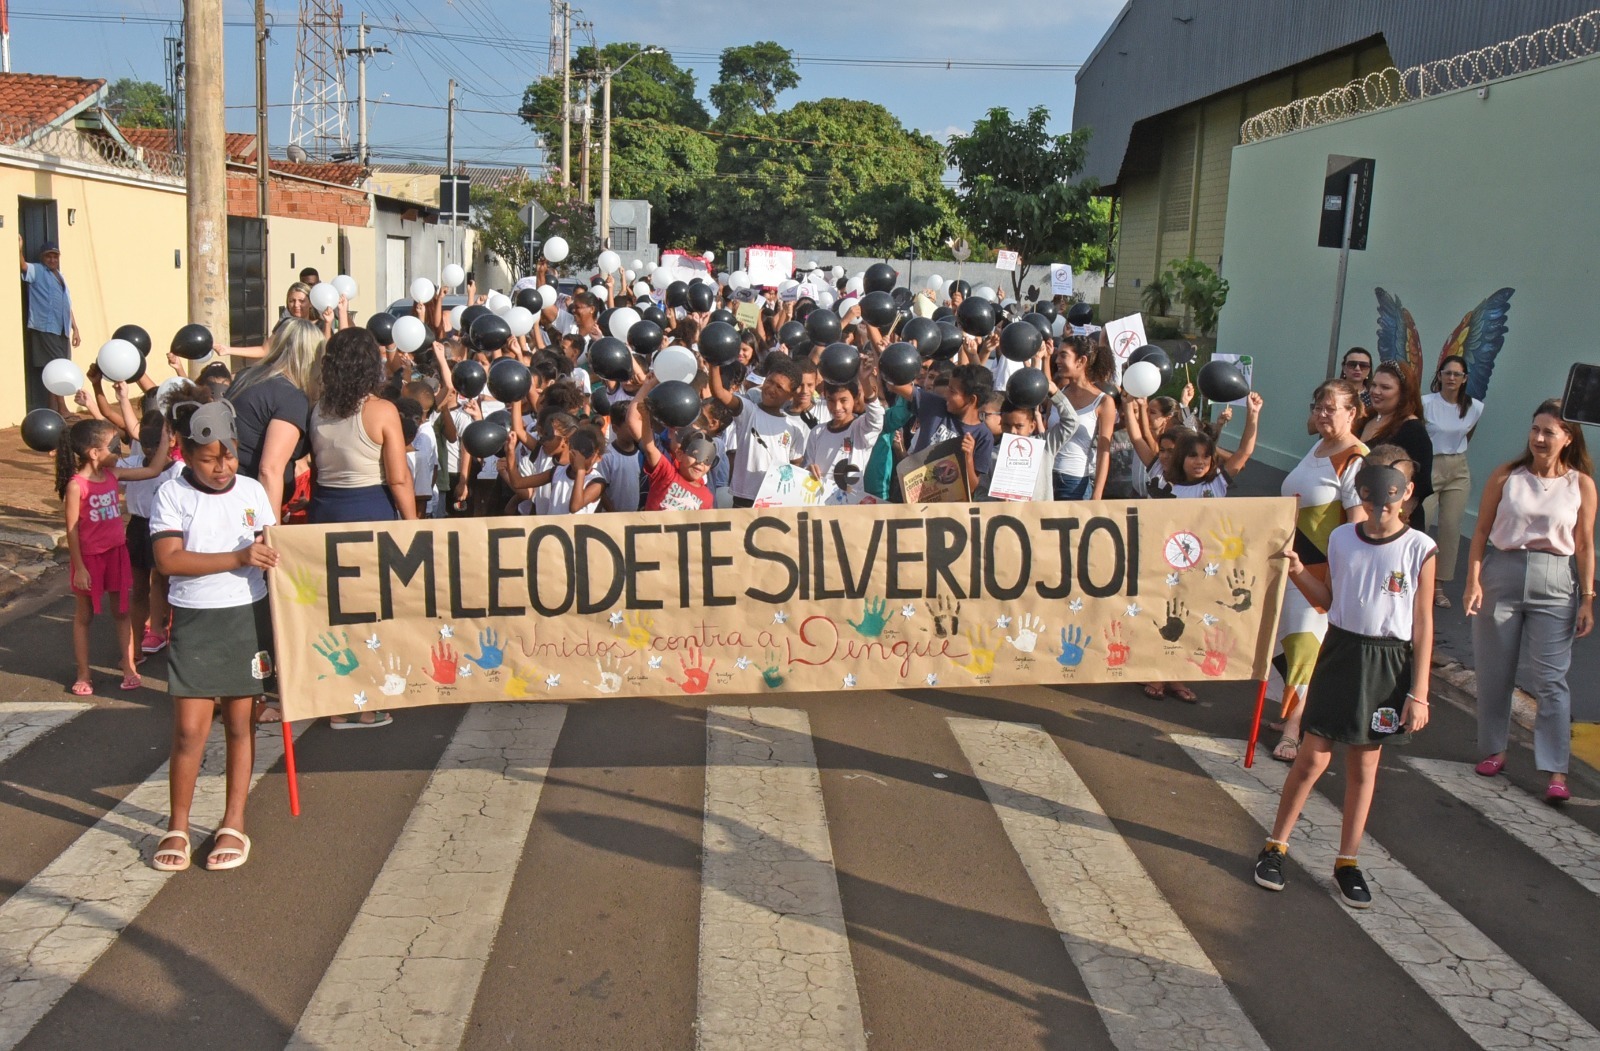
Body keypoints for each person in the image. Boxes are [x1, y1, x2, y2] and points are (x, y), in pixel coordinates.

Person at [1256, 445, 1435, 908]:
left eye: (1391, 495)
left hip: (1388, 664)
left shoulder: (1419, 548)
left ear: (1407, 493)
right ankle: (1275, 847)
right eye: (1373, 494)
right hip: (1340, 651)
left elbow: (1422, 623)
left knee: (1364, 765)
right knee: (1312, 759)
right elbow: (1326, 599)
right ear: (1362, 489)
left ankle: (1347, 861)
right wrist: (1298, 571)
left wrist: (1420, 692)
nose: (1380, 506)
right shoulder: (1341, 539)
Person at [149, 401, 279, 872]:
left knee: (241, 724)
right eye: (209, 459)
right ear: (185, 453)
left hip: (247, 616)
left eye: (230, 456)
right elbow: (169, 561)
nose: (222, 467)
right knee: (188, 731)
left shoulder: (253, 490)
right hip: (196, 621)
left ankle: (233, 822)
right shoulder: (171, 494)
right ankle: (178, 826)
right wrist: (240, 558)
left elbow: (273, 549)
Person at [1463, 399, 1596, 803]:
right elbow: (1482, 532)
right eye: (1535, 429)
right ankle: (1494, 749)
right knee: (1493, 670)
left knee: (1551, 679)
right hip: (1501, 573)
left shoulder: (1581, 484)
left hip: (1556, 582)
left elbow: (1586, 545)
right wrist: (1473, 581)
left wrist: (1588, 598)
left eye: (1549, 432)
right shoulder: (1506, 476)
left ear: (1568, 437)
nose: (1539, 438)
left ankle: (1556, 770)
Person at [307, 329, 416, 729]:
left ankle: (338, 699)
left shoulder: (317, 409)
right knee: (371, 614)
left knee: (336, 613)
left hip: (325, 513)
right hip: (370, 511)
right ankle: (363, 704)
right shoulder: (382, 411)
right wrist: (413, 526)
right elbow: (399, 478)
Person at [1270, 379, 1368, 762]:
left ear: (1352, 413)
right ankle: (1293, 713)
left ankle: (1296, 730)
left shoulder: (1355, 458)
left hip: (1320, 569)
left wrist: (1343, 576)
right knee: (1286, 641)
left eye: (1332, 409)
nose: (1323, 414)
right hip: (1293, 560)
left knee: (1304, 644)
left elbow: (1357, 525)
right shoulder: (1319, 446)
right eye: (1319, 407)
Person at [57, 414, 170, 695]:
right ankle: (84, 673)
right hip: (90, 559)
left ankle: (130, 666)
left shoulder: (113, 475)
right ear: (95, 453)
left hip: (116, 554)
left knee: (122, 612)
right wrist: (80, 567)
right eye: (115, 447)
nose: (121, 453)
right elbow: (71, 530)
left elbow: (154, 469)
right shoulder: (76, 486)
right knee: (84, 616)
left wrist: (167, 434)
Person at [228, 317, 323, 517]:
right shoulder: (289, 395)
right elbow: (269, 470)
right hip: (249, 504)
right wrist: (272, 532)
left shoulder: (247, 376)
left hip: (229, 491)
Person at [1422, 355, 1483, 607]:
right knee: (1420, 522)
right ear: (1439, 375)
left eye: (1457, 374)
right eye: (1447, 373)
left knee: (1450, 528)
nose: (1451, 378)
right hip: (1430, 464)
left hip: (1458, 467)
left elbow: (1468, 434)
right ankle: (1412, 580)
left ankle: (1439, 585)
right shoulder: (1425, 403)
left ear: (1464, 378)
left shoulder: (1475, 407)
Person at [709, 352, 809, 507]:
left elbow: (796, 463)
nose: (771, 389)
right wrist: (713, 364)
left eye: (779, 387)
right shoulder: (748, 411)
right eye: (770, 381)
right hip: (744, 498)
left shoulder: (795, 427)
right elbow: (719, 393)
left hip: (776, 500)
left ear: (790, 396)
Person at [1358, 361, 1432, 531]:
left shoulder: (1413, 429)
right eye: (1374, 385)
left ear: (1404, 393)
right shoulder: (1366, 419)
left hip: (1392, 523)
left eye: (1385, 387)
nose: (1376, 391)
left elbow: (1419, 486)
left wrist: (1394, 520)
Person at [20, 237, 80, 415]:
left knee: (57, 366)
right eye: (49, 257)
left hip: (61, 328)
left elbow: (66, 304)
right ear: (42, 258)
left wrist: (75, 328)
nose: (52, 260)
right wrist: (18, 248)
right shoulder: (38, 270)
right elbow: (23, 266)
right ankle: (61, 408)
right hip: (46, 327)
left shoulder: (60, 276)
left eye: (55, 256)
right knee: (57, 366)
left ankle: (53, 408)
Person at [1052, 334, 1115, 499]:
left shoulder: (1104, 401)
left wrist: (1097, 495)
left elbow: (1103, 450)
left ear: (1081, 361)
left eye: (1063, 355)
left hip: (1075, 483)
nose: (1057, 360)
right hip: (1046, 477)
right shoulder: (1057, 394)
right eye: (1057, 355)